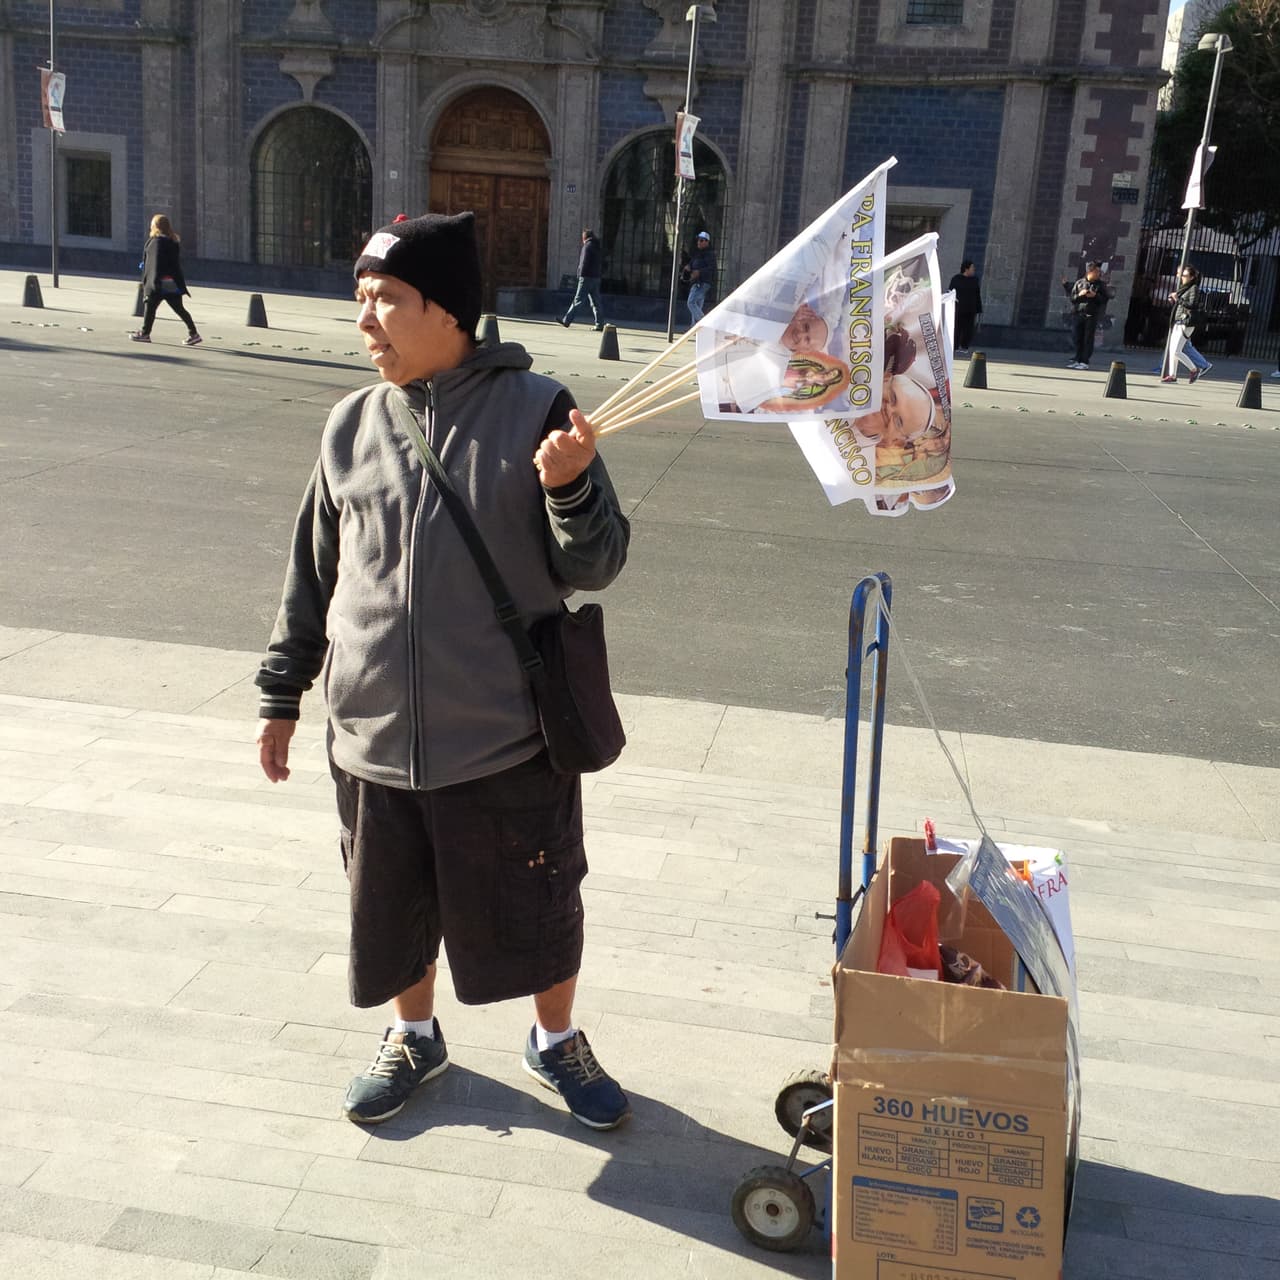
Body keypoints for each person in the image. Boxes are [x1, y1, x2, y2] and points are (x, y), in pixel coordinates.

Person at [254, 211, 632, 1133]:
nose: (365, 320)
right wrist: (281, 695)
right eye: (361, 299)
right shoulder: (350, 425)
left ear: (449, 311)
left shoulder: (540, 410)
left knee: (541, 903)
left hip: (501, 738)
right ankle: (413, 1034)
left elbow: (597, 562)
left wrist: (569, 486)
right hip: (372, 736)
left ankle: (555, 1041)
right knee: (390, 907)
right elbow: (313, 573)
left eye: (385, 299)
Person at [128, 214, 201, 346]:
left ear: (155, 226)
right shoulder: (171, 241)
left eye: (152, 224)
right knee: (179, 309)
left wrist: (151, 281)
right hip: (170, 282)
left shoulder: (156, 242)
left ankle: (145, 334)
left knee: (150, 306)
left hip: (157, 282)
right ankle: (194, 334)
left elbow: (155, 263)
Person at [1161, 265, 1212, 384]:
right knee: (1172, 350)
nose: (1181, 277)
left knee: (1177, 351)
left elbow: (1192, 305)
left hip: (1186, 322)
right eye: (1180, 275)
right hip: (1178, 320)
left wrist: (1178, 299)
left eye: (1184, 276)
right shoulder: (1184, 288)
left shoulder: (1193, 288)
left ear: (1192, 277)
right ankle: (1172, 375)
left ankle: (1194, 369)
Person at [1061, 262, 1109, 370]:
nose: (1098, 274)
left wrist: (1095, 295)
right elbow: (1073, 298)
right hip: (1079, 314)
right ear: (1089, 272)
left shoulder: (1100, 285)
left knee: (1088, 338)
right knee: (1078, 337)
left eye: (1099, 272)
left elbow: (1104, 300)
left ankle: (1084, 361)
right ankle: (1077, 359)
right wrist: (1080, 294)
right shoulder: (1079, 283)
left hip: (1091, 315)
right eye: (1096, 272)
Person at [560, 227, 604, 330]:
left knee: (578, 299)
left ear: (584, 237)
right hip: (596, 278)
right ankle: (599, 324)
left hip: (587, 277)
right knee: (596, 302)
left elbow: (584, 262)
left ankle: (566, 320)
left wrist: (580, 274)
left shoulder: (587, 246)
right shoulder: (597, 246)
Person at [946, 260, 983, 352]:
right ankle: (955, 346)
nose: (973, 270)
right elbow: (950, 292)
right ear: (966, 269)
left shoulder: (974, 280)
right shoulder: (956, 279)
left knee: (968, 329)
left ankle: (964, 346)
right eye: (972, 268)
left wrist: (979, 309)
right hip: (959, 309)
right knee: (957, 328)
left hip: (971, 310)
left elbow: (977, 294)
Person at [686, 230, 716, 325]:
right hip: (697, 282)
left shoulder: (710, 254)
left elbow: (711, 268)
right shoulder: (698, 253)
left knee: (691, 302)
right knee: (697, 305)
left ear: (707, 242)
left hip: (703, 282)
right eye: (698, 240)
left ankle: (705, 324)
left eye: (702, 240)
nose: (699, 242)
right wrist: (688, 267)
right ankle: (694, 328)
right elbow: (693, 263)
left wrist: (699, 272)